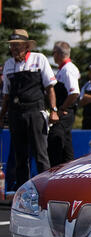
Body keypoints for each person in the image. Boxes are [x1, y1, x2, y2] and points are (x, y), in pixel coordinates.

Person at [0, 29, 58, 188]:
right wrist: (2, 115)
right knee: (20, 157)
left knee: (40, 155)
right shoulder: (8, 64)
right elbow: (6, 94)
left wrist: (53, 110)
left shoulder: (39, 59)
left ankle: (46, 189)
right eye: (12, 46)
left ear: (26, 46)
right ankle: (23, 193)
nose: (14, 49)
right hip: (15, 114)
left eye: (17, 45)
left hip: (35, 112)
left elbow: (50, 88)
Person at [48, 41, 80, 167]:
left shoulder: (68, 69)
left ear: (59, 54)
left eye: (53, 53)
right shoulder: (63, 69)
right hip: (64, 111)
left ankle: (56, 170)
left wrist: (62, 108)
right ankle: (68, 169)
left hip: (65, 112)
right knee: (65, 142)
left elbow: (74, 93)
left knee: (55, 138)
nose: (53, 56)